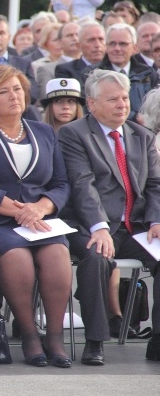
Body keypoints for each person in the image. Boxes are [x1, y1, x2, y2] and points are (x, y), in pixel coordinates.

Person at [0, 65, 72, 367]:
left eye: (17, 89)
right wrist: (19, 210)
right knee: (17, 258)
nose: (13, 96)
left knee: (57, 254)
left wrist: (39, 208)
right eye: (3, 91)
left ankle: (54, 338)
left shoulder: (44, 132)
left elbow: (60, 184)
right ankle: (30, 336)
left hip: (37, 219)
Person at [58, 69, 160, 364]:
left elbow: (155, 185)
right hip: (88, 225)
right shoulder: (74, 134)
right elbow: (82, 184)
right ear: (91, 103)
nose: (122, 104)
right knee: (96, 259)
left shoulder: (141, 136)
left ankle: (158, 340)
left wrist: (155, 220)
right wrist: (98, 227)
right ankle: (96, 340)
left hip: (134, 226)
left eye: (125, 98)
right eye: (113, 99)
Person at [86, 23, 158, 122]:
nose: (117, 49)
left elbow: (156, 108)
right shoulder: (93, 75)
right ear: (106, 47)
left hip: (146, 131)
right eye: (112, 44)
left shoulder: (148, 73)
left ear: (134, 48)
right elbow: (89, 109)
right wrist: (135, 117)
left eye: (123, 44)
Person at [55, 21, 105, 90]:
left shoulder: (113, 68)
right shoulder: (66, 71)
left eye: (101, 39)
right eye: (91, 40)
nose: (97, 45)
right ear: (79, 45)